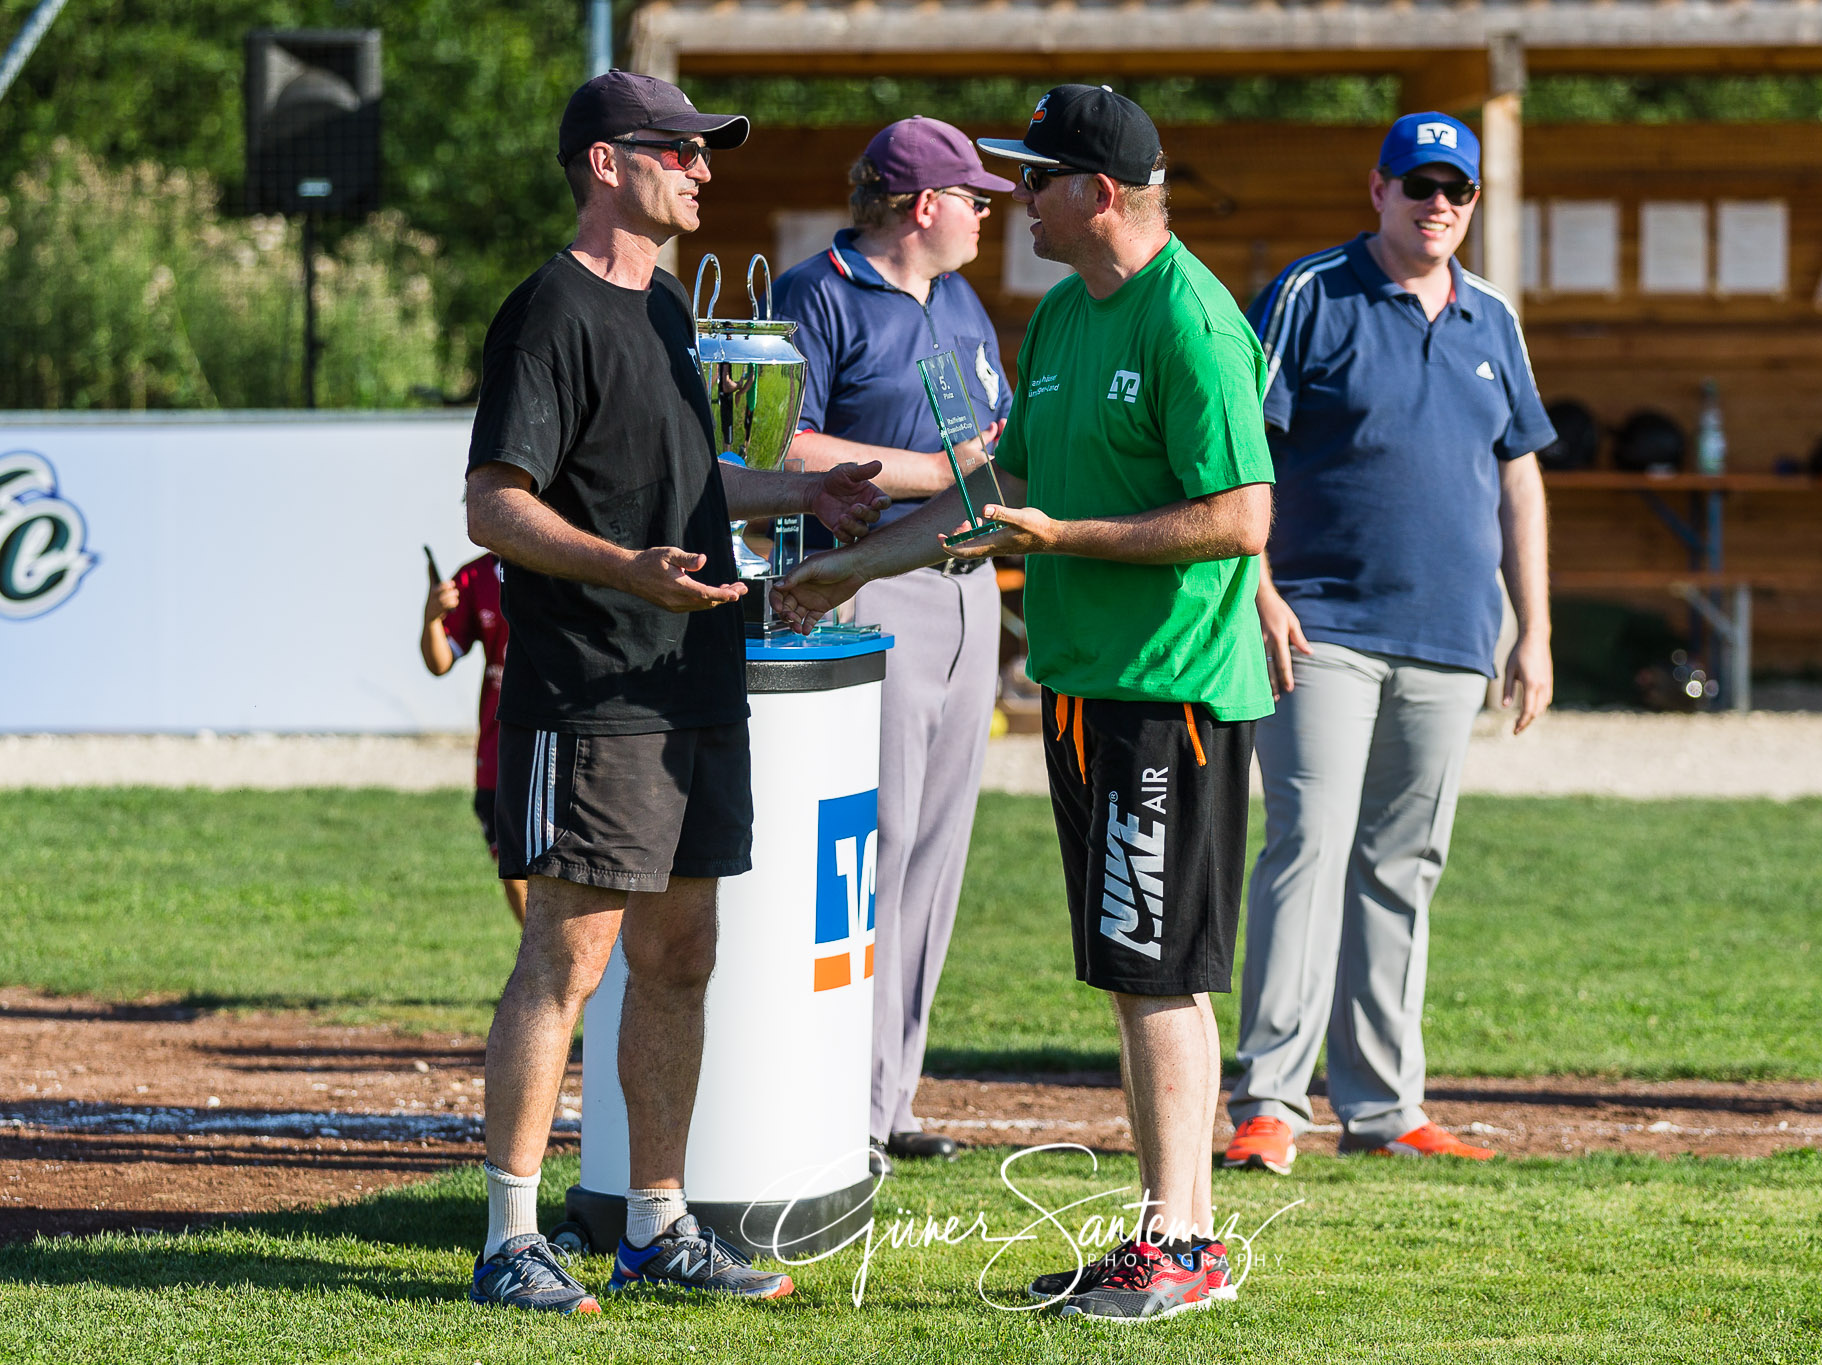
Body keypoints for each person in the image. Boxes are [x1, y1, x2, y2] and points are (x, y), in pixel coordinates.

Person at [775, 85, 1272, 1324]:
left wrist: (1069, 536)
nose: (1018, 204)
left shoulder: (1192, 325)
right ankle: (1165, 1232)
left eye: (1036, 181)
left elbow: (1240, 516)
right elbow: (997, 485)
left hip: (1170, 696)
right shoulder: (1059, 317)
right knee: (1130, 971)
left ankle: (1184, 1249)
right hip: (1081, 692)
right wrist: (848, 567)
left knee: (1159, 974)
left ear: (1097, 194)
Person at [461, 71, 888, 1316]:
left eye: (707, 154)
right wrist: (620, 569)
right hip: (593, 688)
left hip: (693, 680)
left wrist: (801, 495)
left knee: (683, 955)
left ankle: (656, 1226)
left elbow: (684, 492)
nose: (705, 170)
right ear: (607, 163)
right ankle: (509, 1239)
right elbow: (494, 505)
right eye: (681, 151)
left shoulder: (658, 310)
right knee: (568, 958)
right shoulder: (548, 312)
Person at [1219, 112, 1555, 1177]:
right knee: (1304, 848)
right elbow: (1239, 454)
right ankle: (1268, 1101)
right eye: (1418, 186)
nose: (1437, 205)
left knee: (1402, 866)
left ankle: (1382, 1105)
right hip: (1319, 627)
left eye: (1454, 190)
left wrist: (1533, 628)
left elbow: (1518, 477)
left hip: (1452, 636)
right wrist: (1257, 591)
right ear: (1377, 190)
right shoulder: (1308, 295)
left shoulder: (1492, 315)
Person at [774, 116, 1015, 1173]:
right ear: (924, 207)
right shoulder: (812, 293)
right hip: (869, 589)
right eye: (973, 197)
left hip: (967, 590)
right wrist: (937, 473)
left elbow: (994, 443)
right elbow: (778, 444)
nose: (984, 215)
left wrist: (969, 476)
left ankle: (884, 1101)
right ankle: (830, 1103)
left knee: (932, 859)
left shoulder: (957, 299)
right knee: (861, 855)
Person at [420, 551, 526, 925]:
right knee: (513, 872)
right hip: (499, 752)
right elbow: (439, 661)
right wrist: (432, 617)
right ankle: (548, 969)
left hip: (561, 746)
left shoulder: (574, 562)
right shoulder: (475, 577)